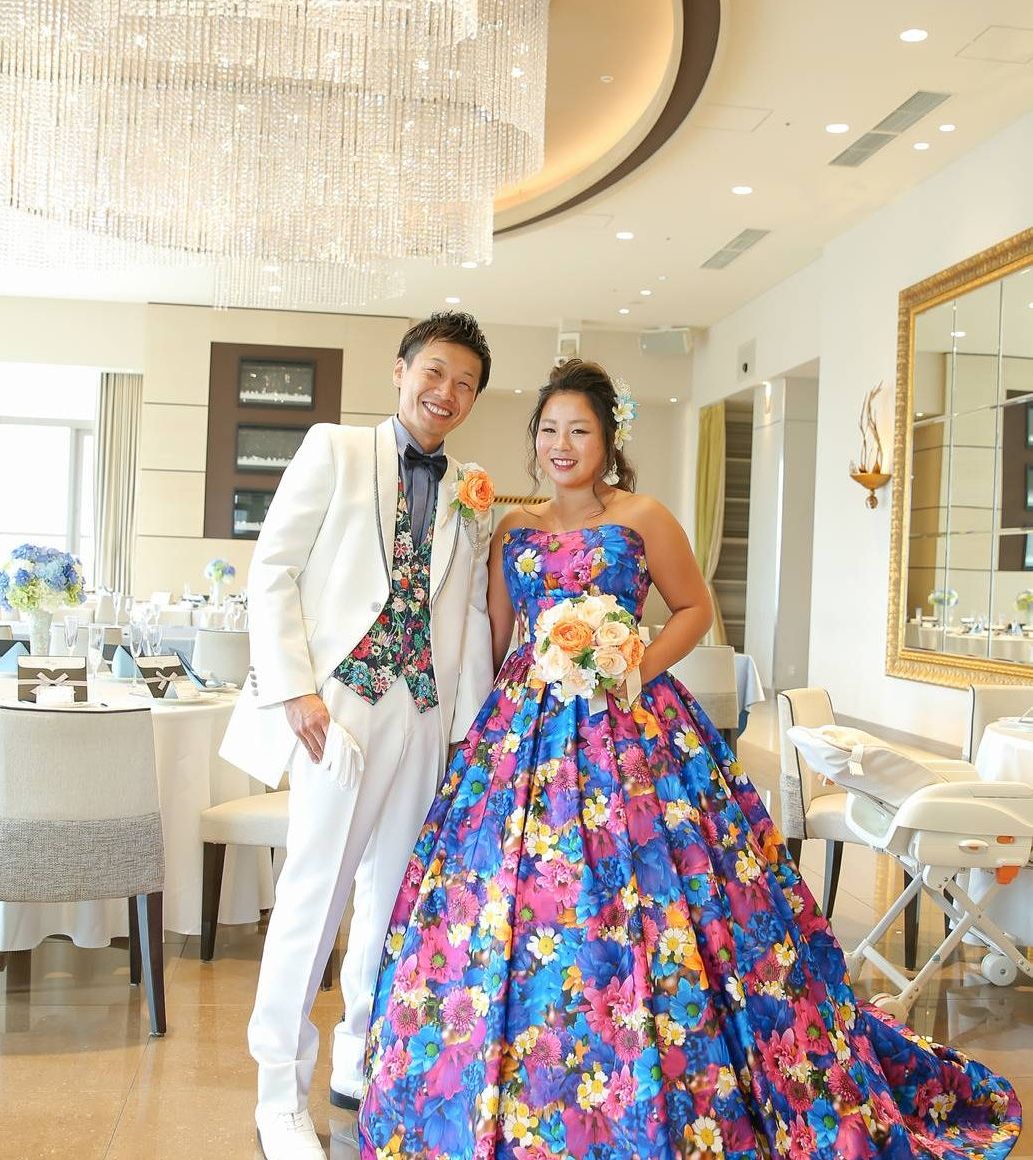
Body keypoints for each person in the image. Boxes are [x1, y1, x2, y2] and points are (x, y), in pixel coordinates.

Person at [358, 359, 1022, 1158]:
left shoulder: (643, 516)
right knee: (507, 905)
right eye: (549, 430)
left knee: (668, 895)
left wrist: (631, 663)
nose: (562, 445)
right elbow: (498, 639)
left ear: (607, 441)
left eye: (579, 430)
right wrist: (475, 729)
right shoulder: (512, 529)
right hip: (523, 731)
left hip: (633, 726)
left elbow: (693, 608)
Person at [220, 312, 496, 1160]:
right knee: (316, 894)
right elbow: (273, 570)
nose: (446, 392)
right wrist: (296, 690)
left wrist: (468, 727)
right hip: (338, 707)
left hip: (426, 711)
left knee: (394, 896)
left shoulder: (471, 489)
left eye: (464, 384)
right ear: (401, 370)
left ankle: (360, 1057)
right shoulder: (334, 449)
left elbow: (470, 613)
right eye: (434, 372)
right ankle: (278, 1092)